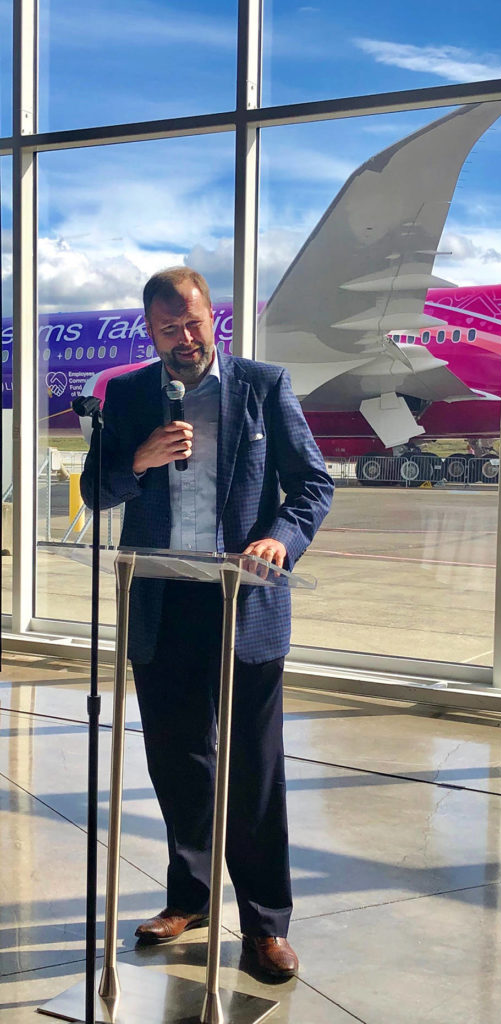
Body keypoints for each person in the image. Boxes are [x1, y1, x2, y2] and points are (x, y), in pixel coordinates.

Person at [81, 267, 333, 978]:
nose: (184, 339)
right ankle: (188, 900)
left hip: (243, 601)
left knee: (253, 771)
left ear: (212, 317)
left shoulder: (262, 386)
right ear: (150, 331)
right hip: (163, 601)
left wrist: (282, 536)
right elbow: (95, 489)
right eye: (168, 329)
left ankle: (264, 925)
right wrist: (137, 459)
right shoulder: (129, 396)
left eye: (193, 323)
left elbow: (313, 484)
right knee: (177, 763)